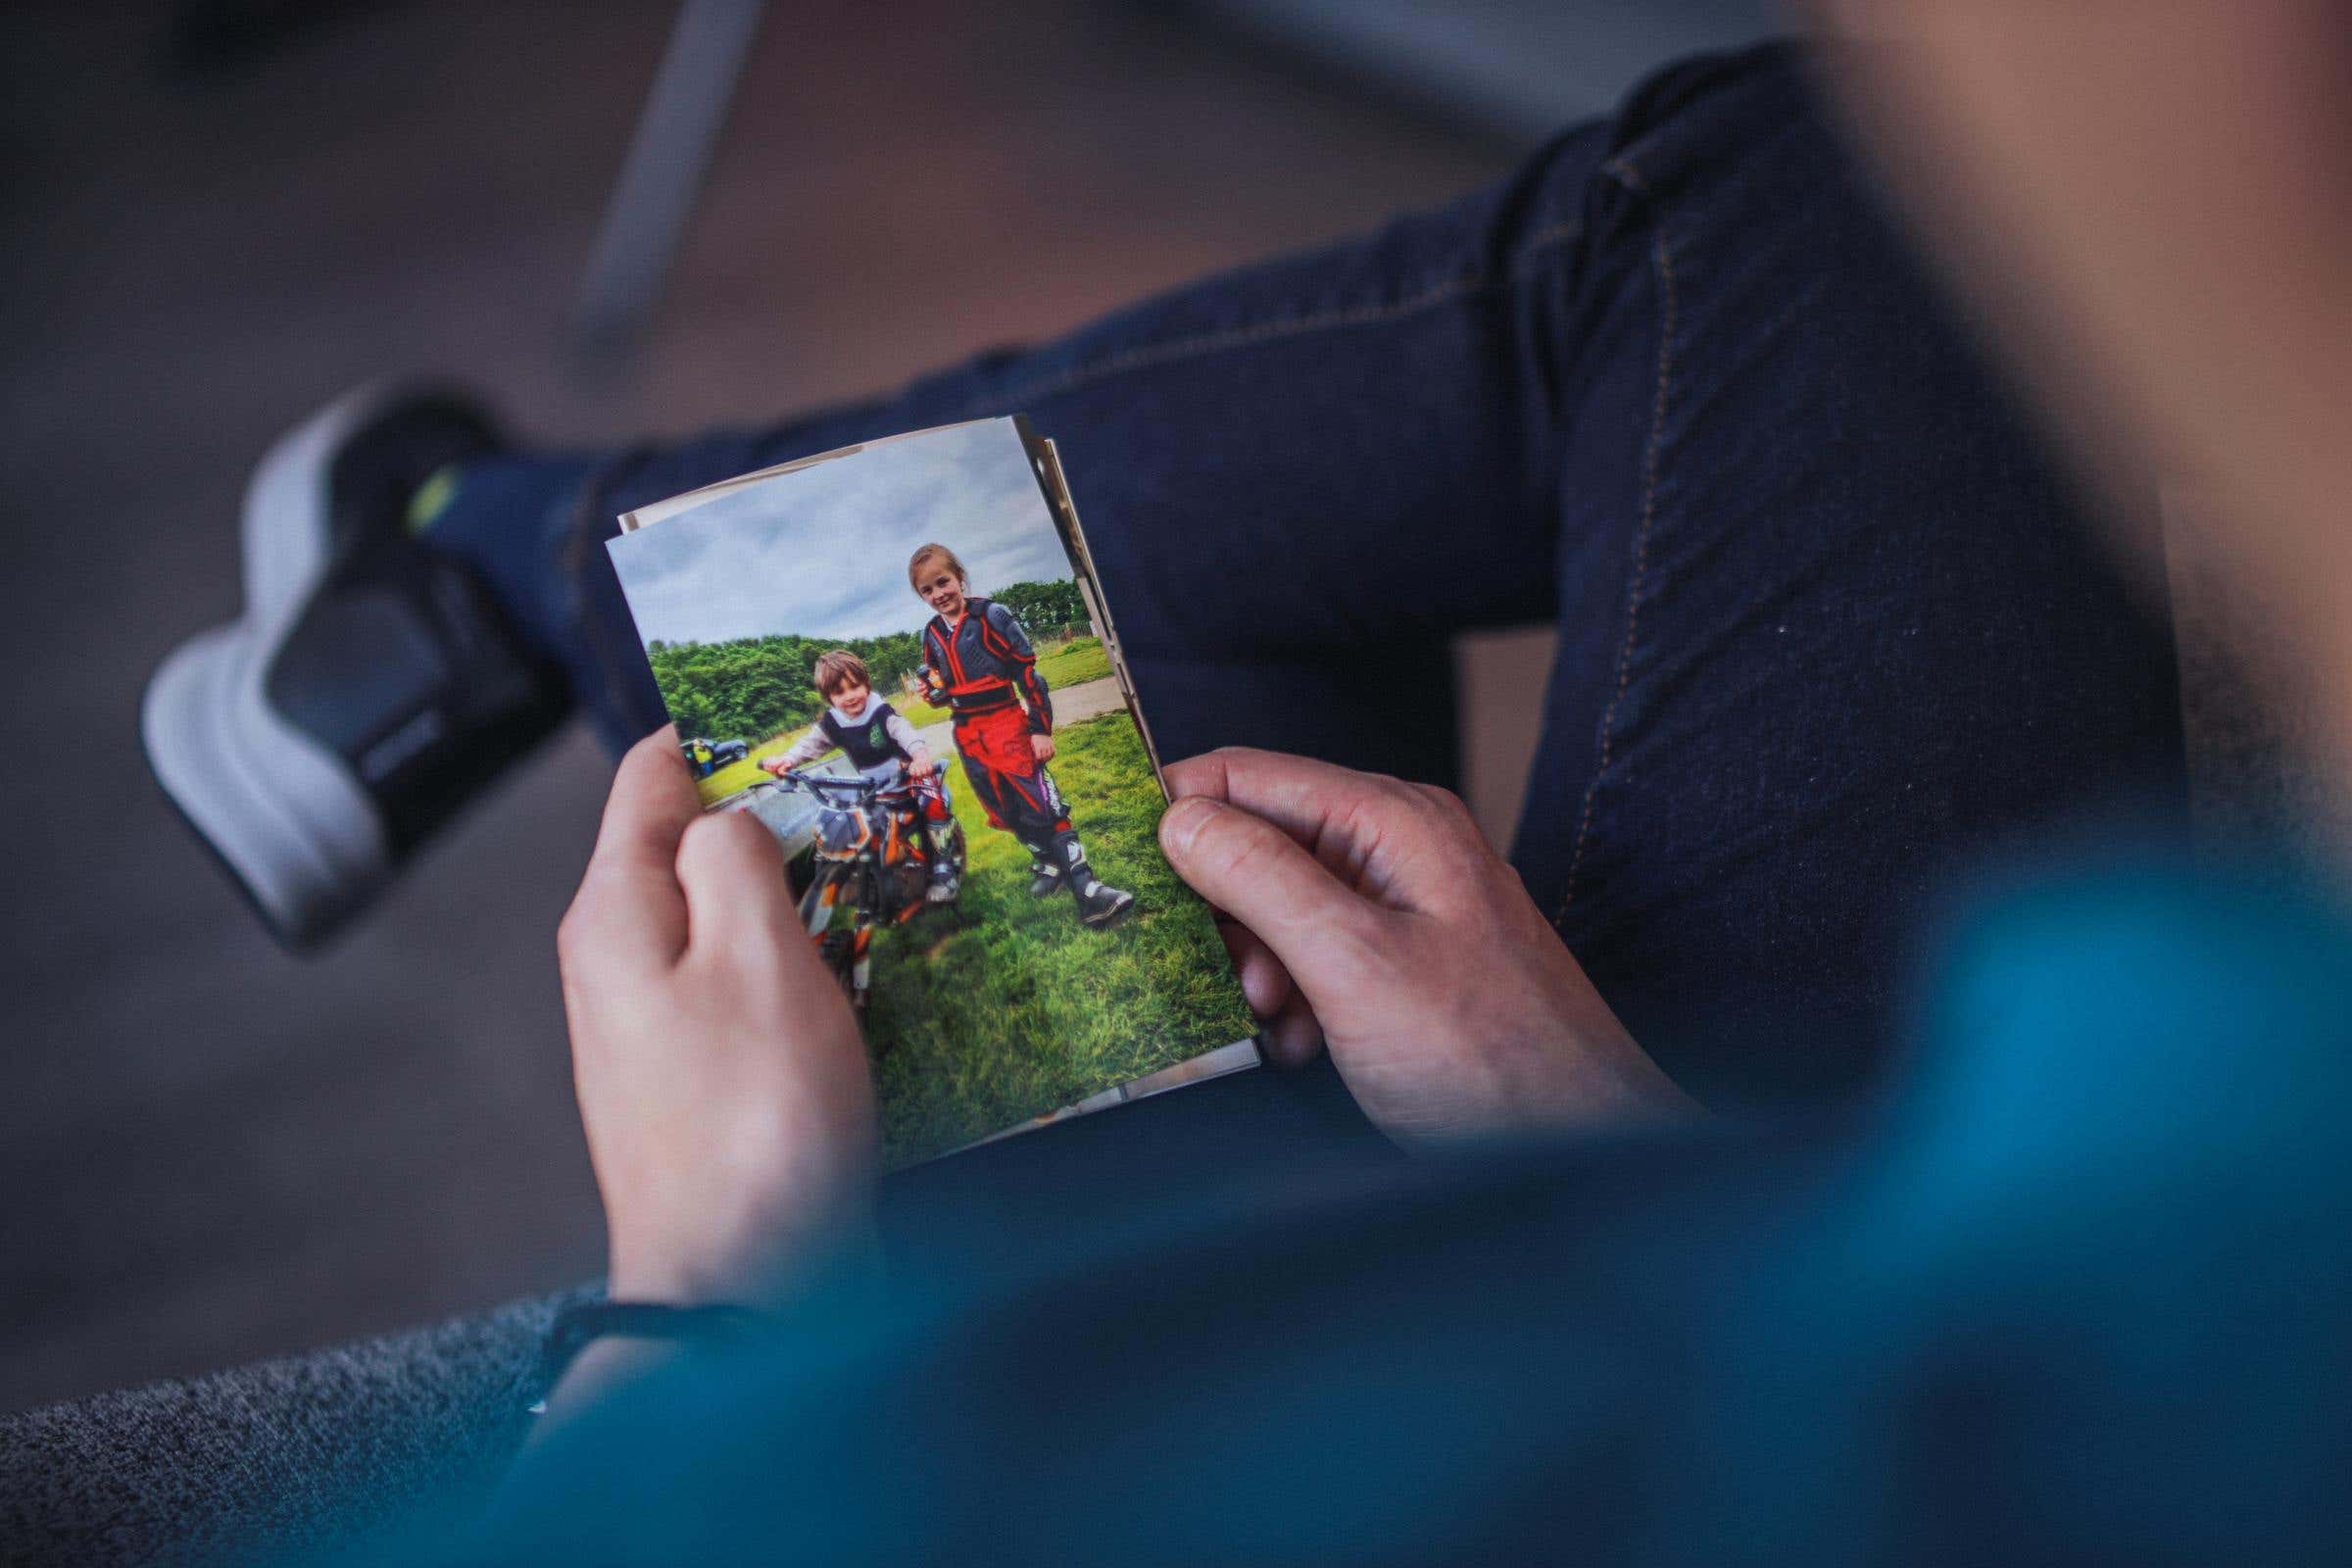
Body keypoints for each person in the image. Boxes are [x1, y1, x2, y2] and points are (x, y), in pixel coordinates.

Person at [80, 34, 2329, 1560]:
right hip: (1739, 1239)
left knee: (1773, 210)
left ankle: (492, 562)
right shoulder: (2217, 1153)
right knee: (1821, 211)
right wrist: (1584, 1118)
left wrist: (700, 1288)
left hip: (1584, 1346)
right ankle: (499, 558)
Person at [907, 541, 1134, 925]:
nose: (938, 594)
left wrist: (1039, 730)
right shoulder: (930, 635)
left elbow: (1029, 675)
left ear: (959, 577)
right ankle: (1048, 865)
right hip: (968, 735)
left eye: (942, 582)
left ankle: (1090, 890)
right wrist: (933, 694)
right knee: (1003, 808)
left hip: (1007, 725)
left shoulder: (991, 616)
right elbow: (940, 691)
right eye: (926, 590)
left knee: (1045, 806)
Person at [759, 649, 958, 905]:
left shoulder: (880, 712)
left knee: (930, 800)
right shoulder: (832, 722)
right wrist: (788, 759)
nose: (850, 696)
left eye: (854, 687)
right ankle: (870, 875)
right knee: (851, 822)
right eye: (839, 692)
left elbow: (905, 733)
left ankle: (943, 866)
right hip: (873, 786)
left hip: (907, 774)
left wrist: (919, 757)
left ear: (866, 684)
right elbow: (811, 744)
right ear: (828, 697)